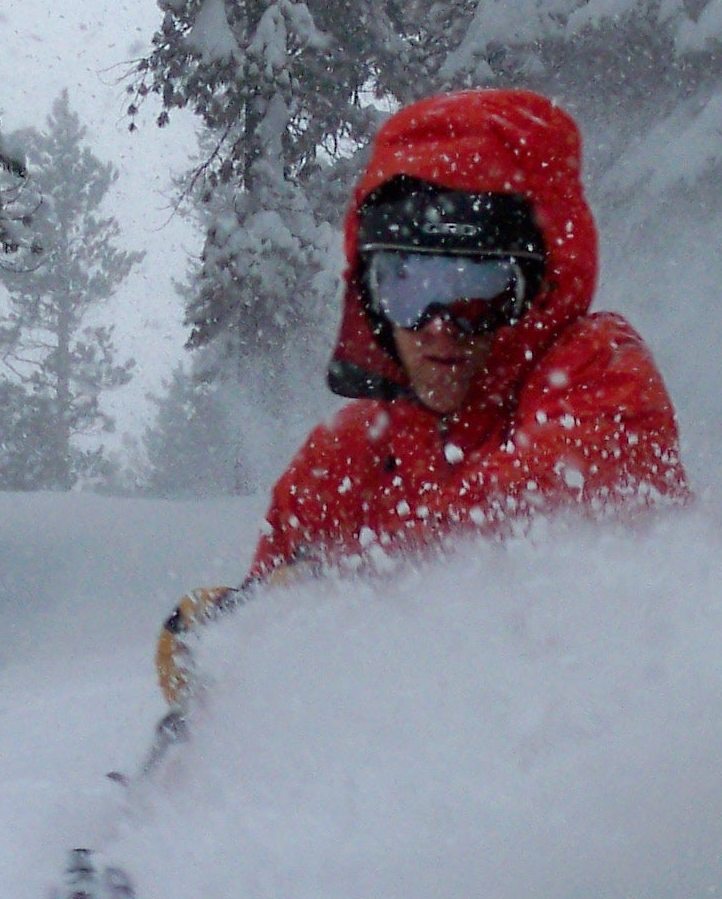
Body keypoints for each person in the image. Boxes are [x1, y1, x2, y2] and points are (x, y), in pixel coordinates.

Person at [154, 86, 687, 709]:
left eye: (474, 289)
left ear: (531, 290)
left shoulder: (599, 370)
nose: (438, 326)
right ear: (372, 297)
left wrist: (326, 593)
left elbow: (528, 523)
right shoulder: (346, 458)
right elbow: (273, 678)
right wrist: (233, 635)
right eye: (408, 287)